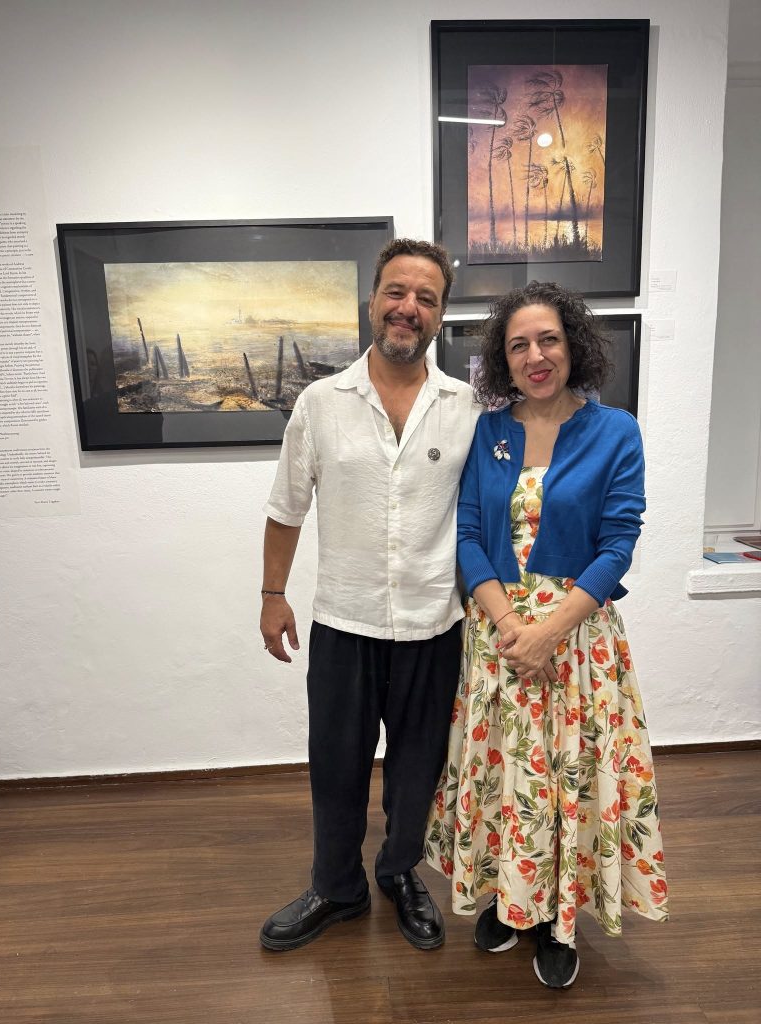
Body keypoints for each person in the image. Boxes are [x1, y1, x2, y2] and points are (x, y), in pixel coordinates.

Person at [425, 280, 668, 988]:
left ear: (574, 346)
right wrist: (510, 625)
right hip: (498, 638)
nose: (535, 356)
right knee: (506, 773)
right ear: (503, 359)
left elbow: (618, 545)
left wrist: (549, 632)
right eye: (518, 345)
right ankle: (511, 901)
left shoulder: (615, 431)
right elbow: (469, 536)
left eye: (548, 340)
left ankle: (560, 920)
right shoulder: (488, 432)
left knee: (569, 776)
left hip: (577, 642)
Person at [259, 239, 480, 952]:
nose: (408, 307)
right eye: (396, 292)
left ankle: (400, 872)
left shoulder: (467, 408)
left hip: (433, 625)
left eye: (426, 298)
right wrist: (272, 594)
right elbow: (286, 507)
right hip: (343, 621)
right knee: (336, 765)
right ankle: (336, 887)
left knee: (418, 769)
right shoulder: (321, 403)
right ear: (373, 299)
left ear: (439, 315)